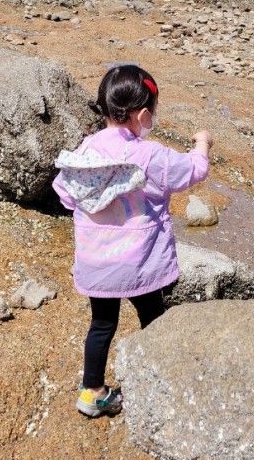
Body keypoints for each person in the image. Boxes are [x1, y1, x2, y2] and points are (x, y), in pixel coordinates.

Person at [53, 64, 211, 418]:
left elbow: (65, 194)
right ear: (142, 114)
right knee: (153, 315)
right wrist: (201, 143)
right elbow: (194, 171)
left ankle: (91, 393)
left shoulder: (87, 150)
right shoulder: (150, 155)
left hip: (98, 262)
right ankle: (161, 379)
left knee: (102, 325)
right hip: (139, 262)